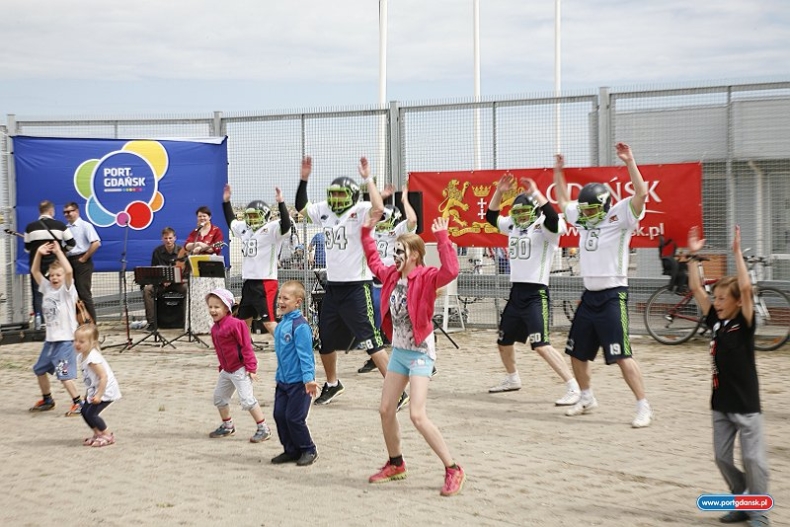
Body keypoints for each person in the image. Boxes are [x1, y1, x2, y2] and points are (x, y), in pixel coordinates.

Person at [362, 214, 465, 497]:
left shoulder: (428, 277)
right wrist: (366, 230)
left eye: (400, 252)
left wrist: (443, 239)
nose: (395, 257)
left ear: (415, 255)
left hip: (420, 353)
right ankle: (396, 464)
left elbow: (452, 270)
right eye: (394, 252)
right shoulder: (391, 276)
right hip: (400, 353)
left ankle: (453, 468)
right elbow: (372, 259)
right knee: (385, 410)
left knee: (417, 415)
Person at [296, 155, 409, 409]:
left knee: (370, 340)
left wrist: (367, 179)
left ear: (351, 196)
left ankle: (397, 391)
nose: (336, 200)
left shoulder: (359, 211)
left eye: (340, 196)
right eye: (333, 195)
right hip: (333, 287)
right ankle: (333, 383)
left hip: (357, 286)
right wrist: (304, 179)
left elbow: (379, 208)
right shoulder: (324, 210)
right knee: (325, 339)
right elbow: (302, 206)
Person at [553, 143, 653, 428]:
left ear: (606, 205)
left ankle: (643, 405)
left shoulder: (620, 215)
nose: (586, 214)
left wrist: (630, 161)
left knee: (621, 355)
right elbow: (563, 202)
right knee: (576, 352)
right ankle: (586, 397)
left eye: (592, 209)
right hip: (589, 295)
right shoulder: (584, 218)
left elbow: (642, 194)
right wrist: (559, 171)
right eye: (584, 209)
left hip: (612, 295)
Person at [686, 226, 771, 527]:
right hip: (720, 403)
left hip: (746, 404)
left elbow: (747, 289)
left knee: (754, 460)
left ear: (737, 302)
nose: (717, 302)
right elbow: (697, 289)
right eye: (717, 298)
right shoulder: (717, 323)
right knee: (722, 458)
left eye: (723, 298)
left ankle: (758, 510)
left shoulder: (745, 324)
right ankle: (742, 499)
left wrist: (736, 253)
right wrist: (694, 256)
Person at [485, 173, 580, 406]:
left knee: (541, 344)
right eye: (516, 214)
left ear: (535, 211)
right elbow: (491, 217)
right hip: (516, 292)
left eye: (524, 213)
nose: (518, 218)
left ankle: (573, 386)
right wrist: (499, 192)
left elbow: (553, 219)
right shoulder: (515, 226)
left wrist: (537, 193)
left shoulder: (545, 227)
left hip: (536, 293)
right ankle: (512, 378)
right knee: (503, 341)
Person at [358, 183, 418, 375]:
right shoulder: (373, 231)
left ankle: (416, 356)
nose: (382, 221)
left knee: (399, 316)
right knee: (374, 315)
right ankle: (376, 355)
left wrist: (404, 200)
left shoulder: (399, 230)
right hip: (375, 279)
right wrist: (380, 198)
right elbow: (371, 213)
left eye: (385, 218)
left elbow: (412, 220)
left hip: (393, 280)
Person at [206, 288, 272, 443]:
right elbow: (220, 350)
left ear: (227, 308)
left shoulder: (237, 324)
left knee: (247, 400)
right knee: (219, 398)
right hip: (227, 370)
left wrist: (251, 368)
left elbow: (246, 346)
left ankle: (263, 428)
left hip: (240, 369)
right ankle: (227, 426)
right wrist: (222, 366)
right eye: (210, 307)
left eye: (217, 307)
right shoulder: (214, 328)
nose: (213, 310)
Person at [222, 185, 291, 334]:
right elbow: (232, 222)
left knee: (269, 322)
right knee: (243, 321)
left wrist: (281, 203)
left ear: (264, 216)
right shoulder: (245, 229)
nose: (252, 219)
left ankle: (288, 346)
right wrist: (226, 202)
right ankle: (245, 349)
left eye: (255, 216)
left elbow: (285, 225)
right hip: (249, 282)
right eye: (250, 216)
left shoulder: (272, 229)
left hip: (265, 282)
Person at [28, 241, 84, 417]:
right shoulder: (47, 288)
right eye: (52, 275)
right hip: (50, 341)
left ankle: (78, 402)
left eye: (57, 275)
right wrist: (38, 253)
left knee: (64, 374)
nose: (54, 278)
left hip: (65, 341)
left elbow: (69, 271)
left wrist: (59, 251)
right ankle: (47, 399)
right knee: (39, 369)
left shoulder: (67, 291)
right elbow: (34, 272)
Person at [270, 280, 320, 466]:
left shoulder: (300, 326)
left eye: (286, 298)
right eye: (280, 297)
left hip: (299, 383)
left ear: (298, 302)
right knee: (279, 415)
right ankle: (290, 450)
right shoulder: (282, 324)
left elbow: (306, 356)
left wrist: (308, 379)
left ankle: (308, 449)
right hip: (283, 381)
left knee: (294, 417)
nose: (280, 301)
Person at [23, 200, 76, 319]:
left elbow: (27, 249)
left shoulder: (30, 227)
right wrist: (61, 250)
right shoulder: (60, 226)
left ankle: (39, 319)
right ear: (51, 211)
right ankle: (59, 316)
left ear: (40, 211)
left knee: (38, 293)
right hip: (55, 266)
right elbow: (72, 243)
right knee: (58, 291)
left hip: (37, 265)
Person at [75, 324, 121, 448]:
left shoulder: (93, 358)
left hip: (106, 390)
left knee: (92, 414)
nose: (77, 344)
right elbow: (89, 378)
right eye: (75, 340)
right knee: (84, 411)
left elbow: (103, 377)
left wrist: (99, 395)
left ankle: (107, 435)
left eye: (82, 341)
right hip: (95, 390)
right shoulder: (81, 356)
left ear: (92, 342)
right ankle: (98, 433)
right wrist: (88, 394)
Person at [143, 227, 188, 331]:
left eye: (170, 238)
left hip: (178, 283)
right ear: (162, 239)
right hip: (161, 283)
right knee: (147, 290)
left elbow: (184, 271)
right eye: (166, 238)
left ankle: (187, 322)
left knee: (188, 289)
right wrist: (162, 280)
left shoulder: (181, 251)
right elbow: (153, 270)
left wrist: (172, 279)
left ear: (175, 238)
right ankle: (152, 323)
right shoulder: (157, 252)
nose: (168, 240)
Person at [63, 202, 101, 323]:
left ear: (77, 211)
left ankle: (92, 323)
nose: (67, 214)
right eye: (65, 212)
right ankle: (78, 321)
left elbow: (96, 243)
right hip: (69, 261)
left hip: (82, 261)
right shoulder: (65, 228)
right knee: (70, 293)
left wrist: (84, 258)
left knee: (84, 293)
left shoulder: (85, 226)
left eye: (70, 211)